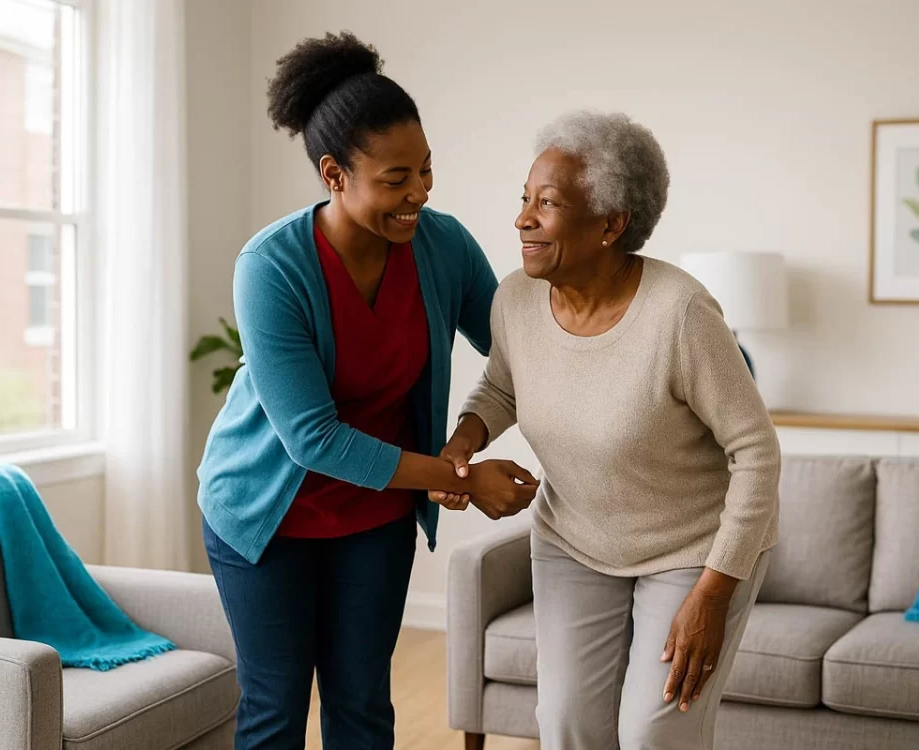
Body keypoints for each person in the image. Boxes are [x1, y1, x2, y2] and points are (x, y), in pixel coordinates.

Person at [196, 32, 538, 750]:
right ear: (334, 174)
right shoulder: (273, 267)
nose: (418, 192)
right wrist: (459, 480)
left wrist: (469, 438)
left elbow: (520, 347)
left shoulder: (442, 245)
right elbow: (312, 438)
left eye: (426, 170)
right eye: (395, 178)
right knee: (275, 709)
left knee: (360, 708)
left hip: (374, 517)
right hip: (265, 516)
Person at [434, 110, 781, 750]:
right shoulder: (516, 298)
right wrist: (464, 441)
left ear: (611, 224)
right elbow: (503, 386)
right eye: (524, 200)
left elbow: (757, 453)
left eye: (548, 204)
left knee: (655, 732)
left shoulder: (679, 312)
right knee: (566, 726)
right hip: (573, 542)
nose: (522, 220)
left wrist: (713, 591)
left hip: (691, 552)